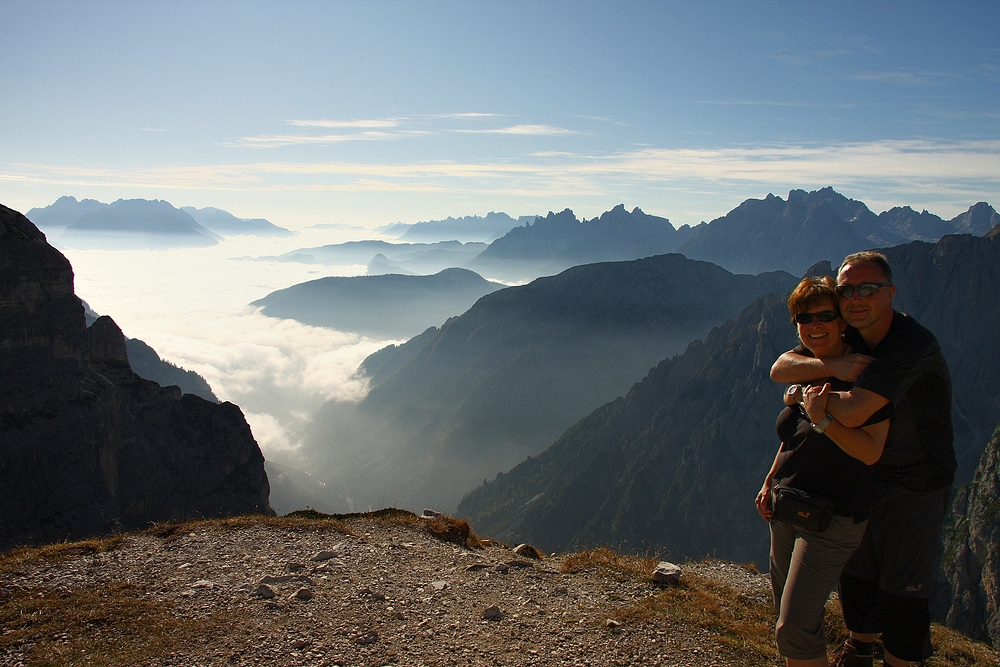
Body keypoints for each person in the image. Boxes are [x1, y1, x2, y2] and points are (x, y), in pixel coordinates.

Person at [771, 251, 956, 667]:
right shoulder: (848, 336)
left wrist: (805, 396)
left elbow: (853, 410)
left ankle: (900, 660)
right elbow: (781, 367)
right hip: (861, 473)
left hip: (915, 479)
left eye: (868, 289)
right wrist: (829, 364)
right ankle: (859, 646)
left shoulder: (909, 345)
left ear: (890, 292)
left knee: (902, 587)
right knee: (858, 572)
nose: (856, 298)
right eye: (847, 290)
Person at [757, 276, 891, 667]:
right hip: (787, 507)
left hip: (835, 516)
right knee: (788, 614)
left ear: (843, 321)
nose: (814, 325)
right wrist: (769, 483)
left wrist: (825, 421)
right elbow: (791, 437)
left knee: (793, 627)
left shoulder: (868, 373)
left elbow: (870, 452)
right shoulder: (806, 365)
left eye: (825, 316)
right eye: (804, 317)